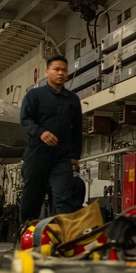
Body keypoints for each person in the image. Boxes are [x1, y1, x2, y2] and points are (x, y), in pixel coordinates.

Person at [19, 55, 83, 223]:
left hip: (61, 157)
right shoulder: (34, 96)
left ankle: (63, 238)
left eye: (64, 70)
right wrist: (41, 132)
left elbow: (77, 129)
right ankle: (26, 232)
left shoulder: (73, 100)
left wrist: (75, 157)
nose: (60, 73)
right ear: (47, 72)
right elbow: (25, 119)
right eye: (56, 69)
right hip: (36, 155)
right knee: (32, 196)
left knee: (63, 197)